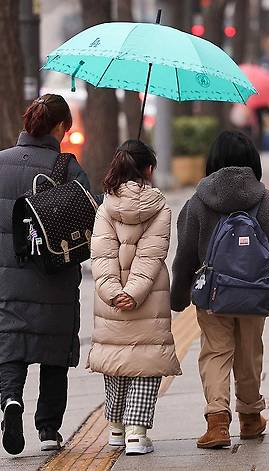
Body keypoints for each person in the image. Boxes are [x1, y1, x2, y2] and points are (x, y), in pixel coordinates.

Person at [0, 94, 91, 455]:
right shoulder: (65, 167)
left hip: (8, 276)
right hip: (55, 276)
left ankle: (11, 401)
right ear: (58, 128)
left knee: (11, 342)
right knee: (54, 350)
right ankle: (47, 429)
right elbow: (90, 217)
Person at [170, 130, 269, 449]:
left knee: (215, 351)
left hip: (213, 294)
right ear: (253, 161)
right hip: (255, 292)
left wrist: (179, 295)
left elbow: (184, 256)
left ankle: (218, 422)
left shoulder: (197, 203)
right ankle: (251, 418)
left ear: (212, 161)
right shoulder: (268, 201)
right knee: (250, 353)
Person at [88, 140, 182, 456]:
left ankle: (115, 430)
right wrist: (134, 293)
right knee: (145, 363)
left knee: (115, 361)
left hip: (109, 301)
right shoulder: (160, 208)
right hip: (149, 299)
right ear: (149, 170)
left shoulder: (104, 208)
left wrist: (114, 293)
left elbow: (101, 256)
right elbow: (152, 255)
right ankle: (136, 435)